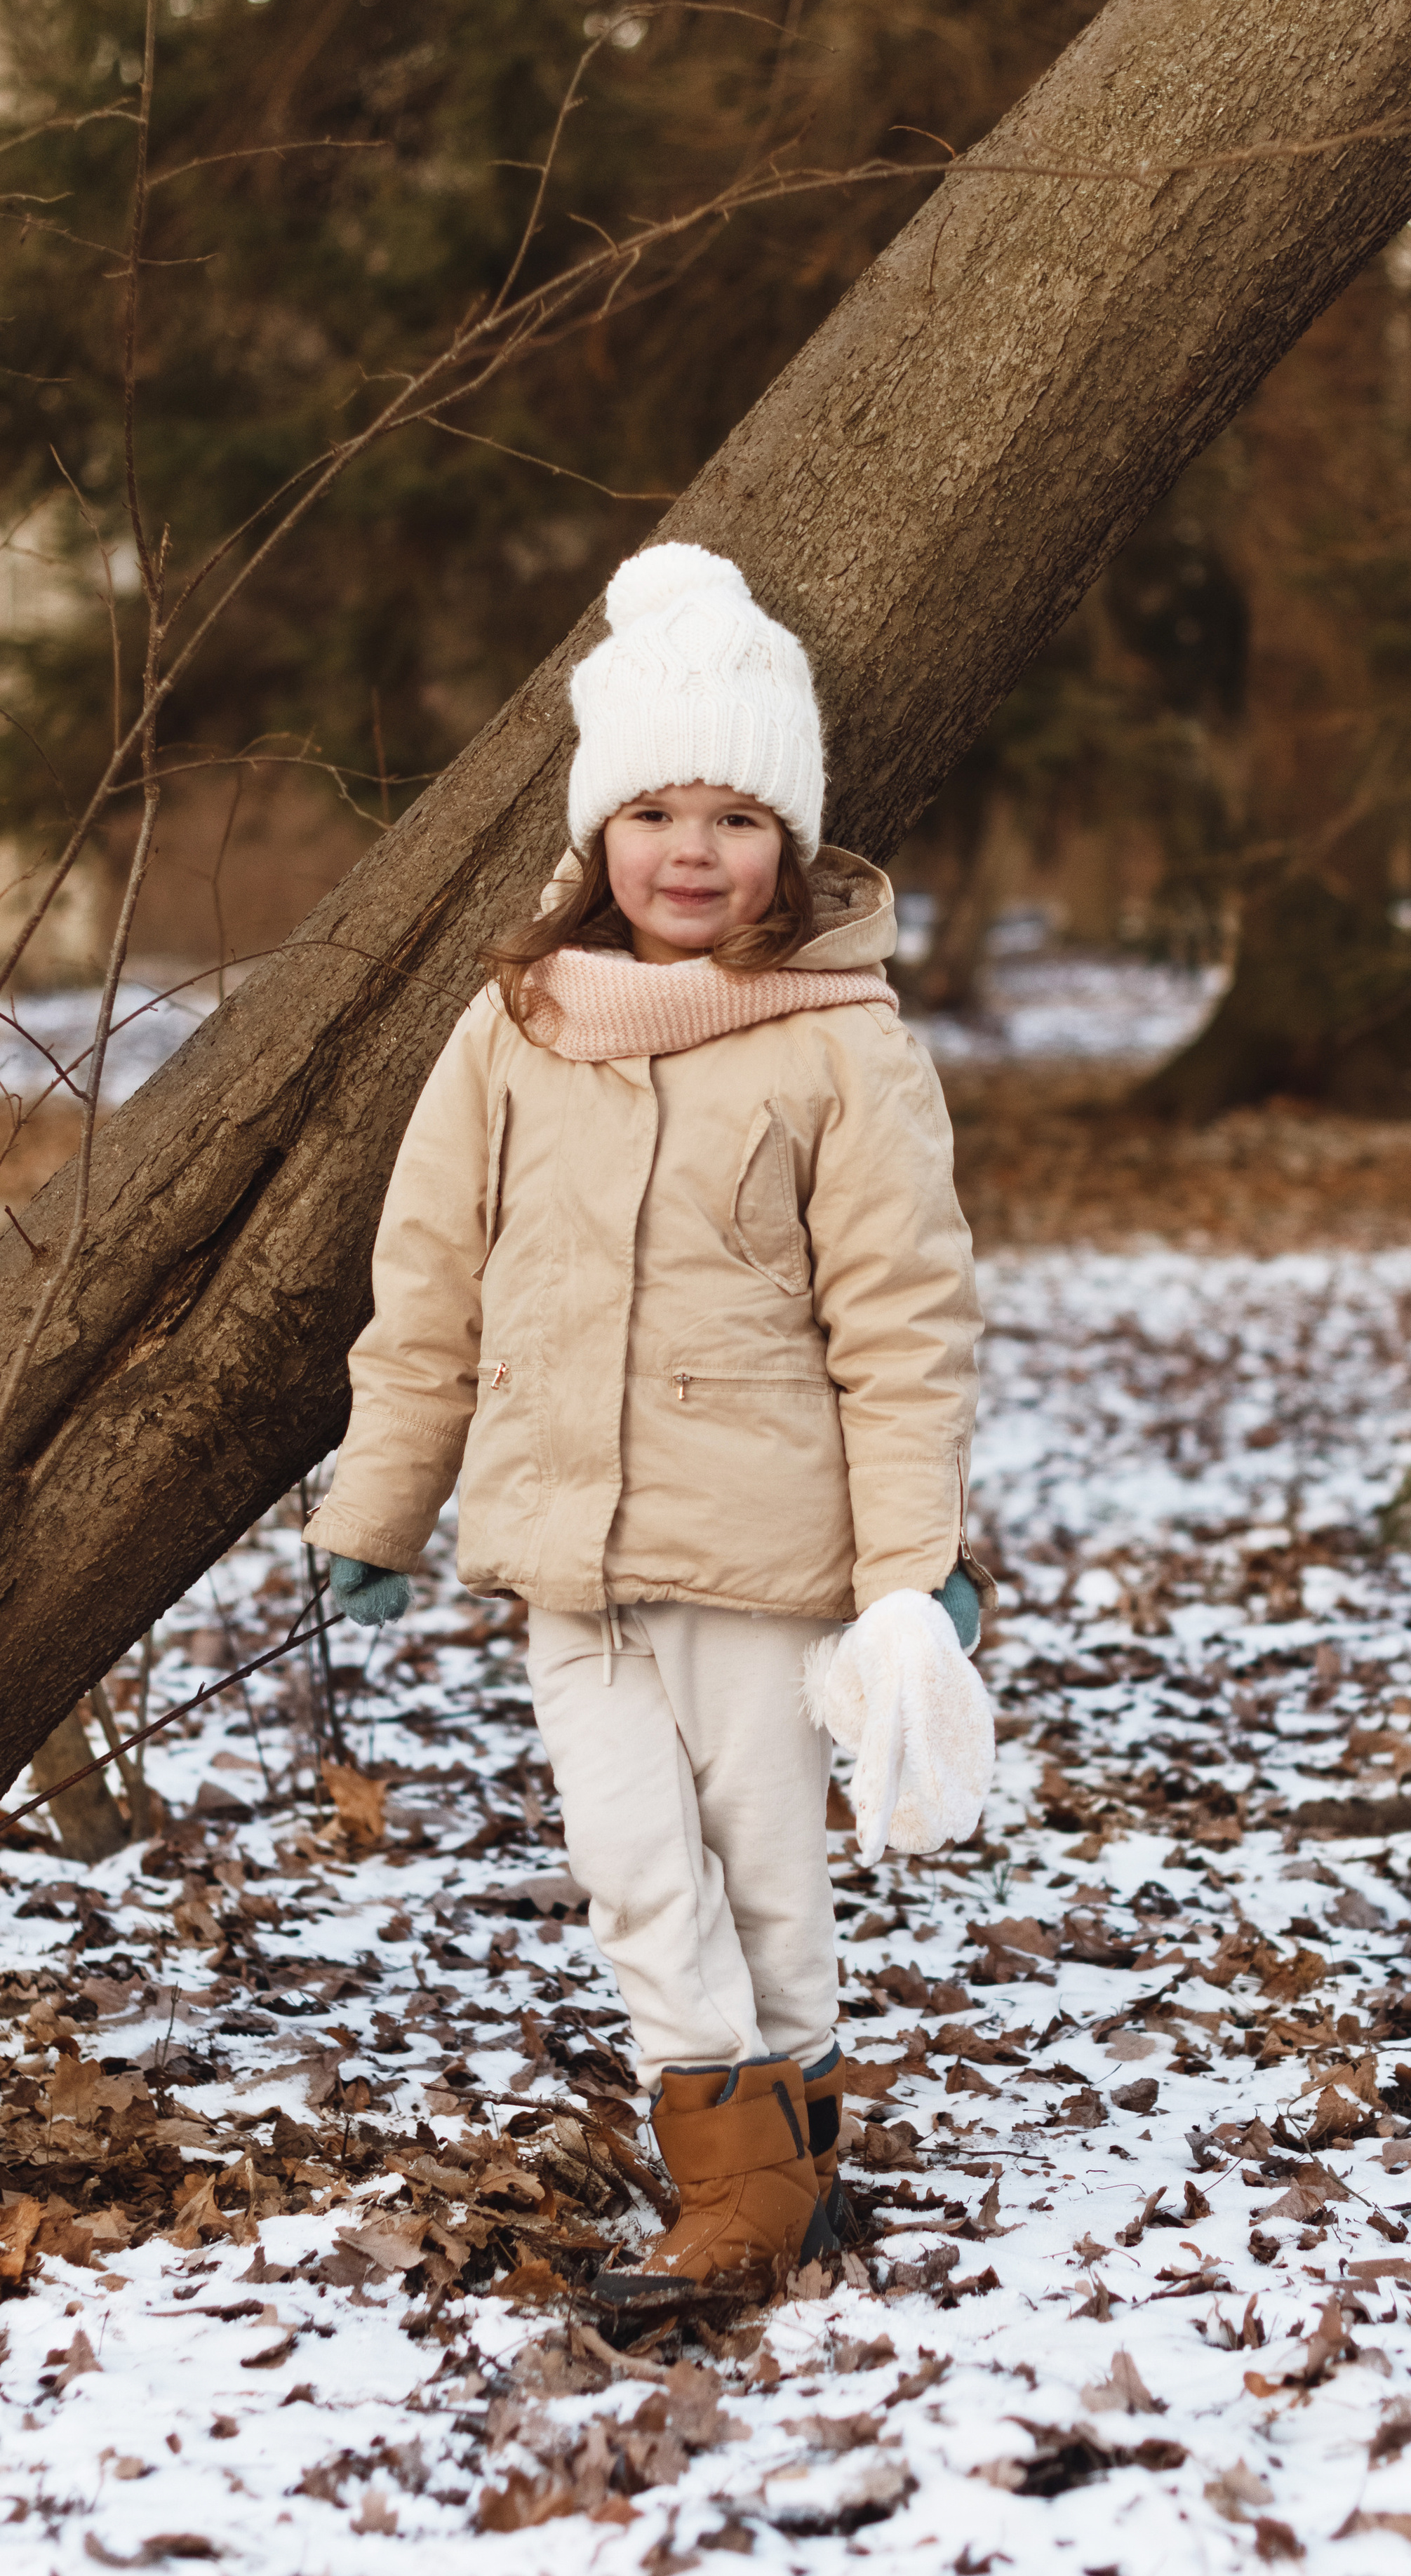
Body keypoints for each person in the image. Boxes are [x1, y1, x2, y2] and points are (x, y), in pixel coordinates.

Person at [305, 543, 991, 2295]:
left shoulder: (847, 1045)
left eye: (736, 817)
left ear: (793, 845)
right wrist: (380, 1512)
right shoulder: (513, 1028)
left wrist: (920, 1563)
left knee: (766, 1873)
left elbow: (904, 1318)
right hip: (564, 1554)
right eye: (655, 812)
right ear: (598, 836)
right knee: (628, 1868)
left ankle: (786, 2181)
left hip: (762, 1557)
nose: (691, 852)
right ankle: (740, 2183)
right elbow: (430, 1281)